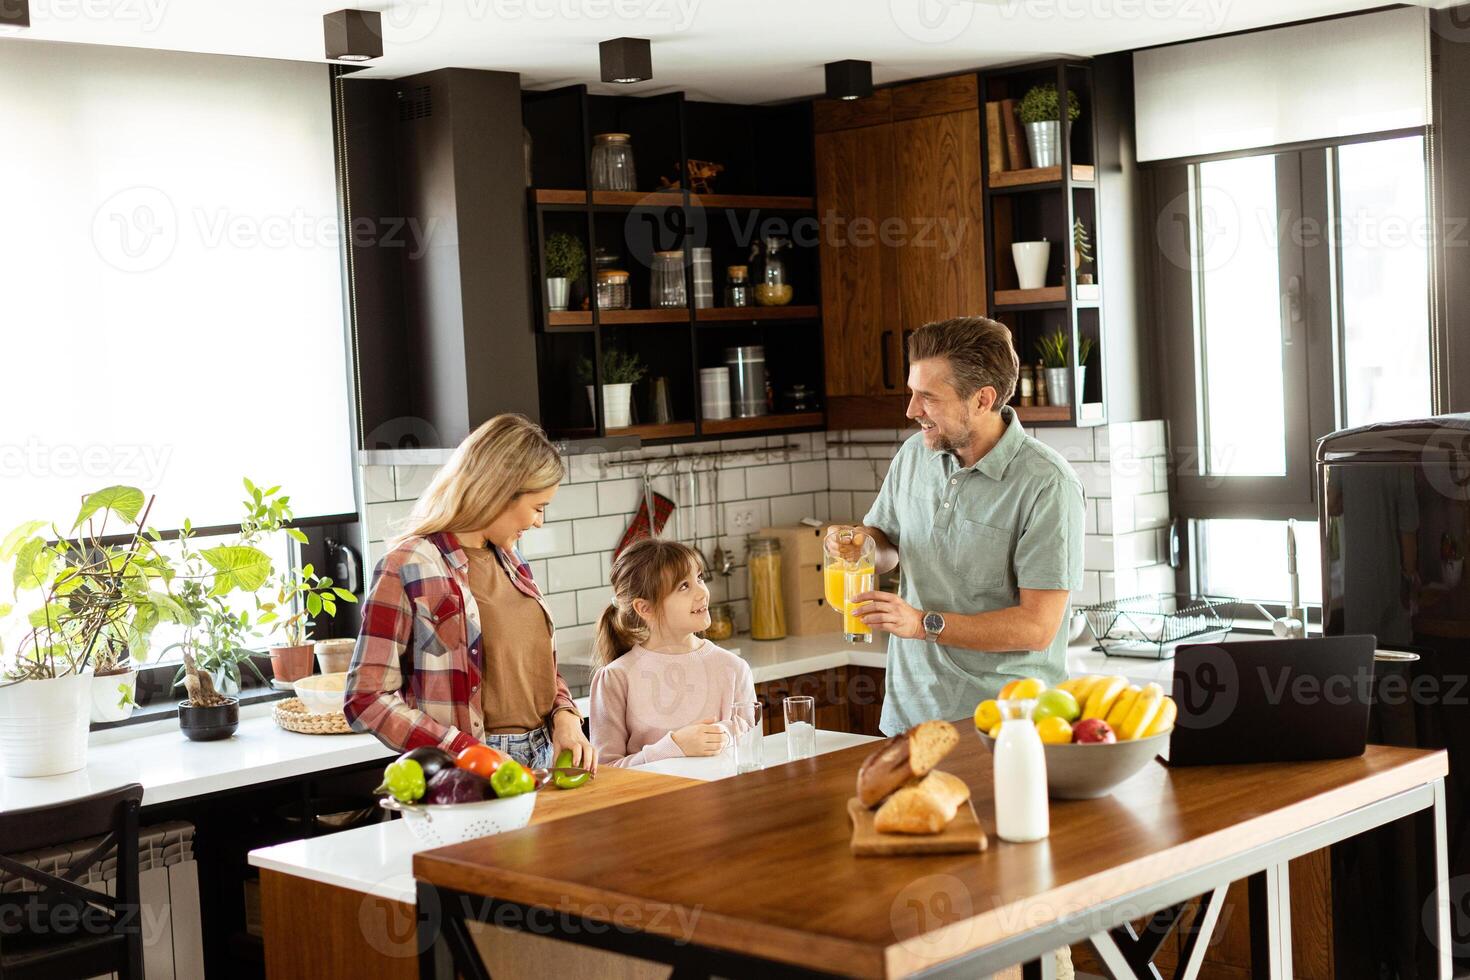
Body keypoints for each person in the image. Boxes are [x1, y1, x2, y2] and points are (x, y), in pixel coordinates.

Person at [828, 316, 1085, 735]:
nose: (911, 410)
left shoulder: (1047, 485)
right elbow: (889, 543)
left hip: (1003, 725)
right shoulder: (914, 454)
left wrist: (921, 623)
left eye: (927, 397)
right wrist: (863, 545)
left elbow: (1036, 628)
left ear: (983, 399)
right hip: (908, 718)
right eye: (912, 393)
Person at [344, 414, 596, 772]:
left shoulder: (512, 560)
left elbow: (534, 666)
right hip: (465, 769)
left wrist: (566, 717)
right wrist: (464, 751)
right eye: (538, 508)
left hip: (544, 757)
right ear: (496, 492)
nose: (539, 522)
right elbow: (365, 699)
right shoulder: (408, 565)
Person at [589, 538, 755, 768]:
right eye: (684, 586)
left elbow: (752, 753)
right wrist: (674, 746)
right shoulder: (616, 678)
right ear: (645, 608)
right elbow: (607, 771)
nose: (702, 593)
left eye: (699, 578)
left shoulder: (734, 668)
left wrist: (725, 736)